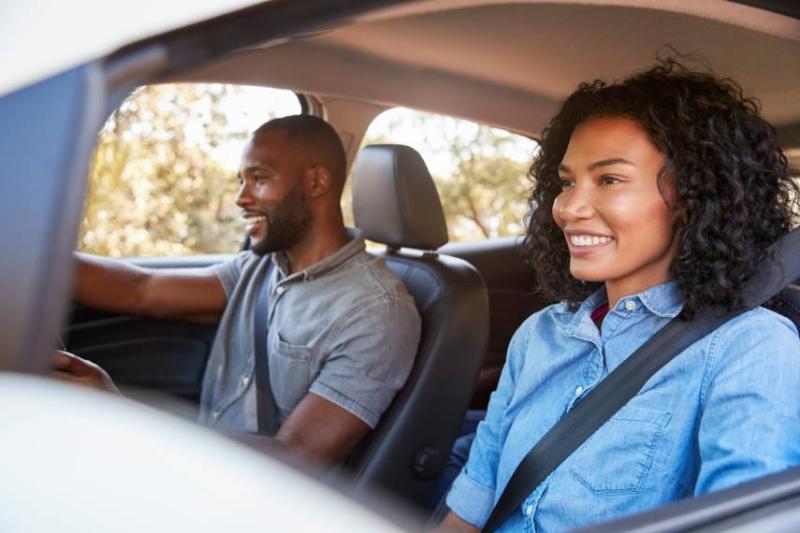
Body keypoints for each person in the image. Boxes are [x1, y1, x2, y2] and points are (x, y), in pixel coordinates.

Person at [437, 58, 800, 531]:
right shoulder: (540, 334)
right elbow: (474, 500)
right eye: (567, 182)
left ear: (690, 199)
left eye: (609, 179)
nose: (568, 207)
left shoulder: (749, 348)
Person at [53, 115, 422, 467]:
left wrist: (122, 415)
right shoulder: (263, 266)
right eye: (240, 181)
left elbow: (295, 456)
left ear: (316, 182)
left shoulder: (377, 311)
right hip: (199, 469)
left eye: (258, 178)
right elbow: (142, 290)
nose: (241, 198)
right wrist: (31, 256)